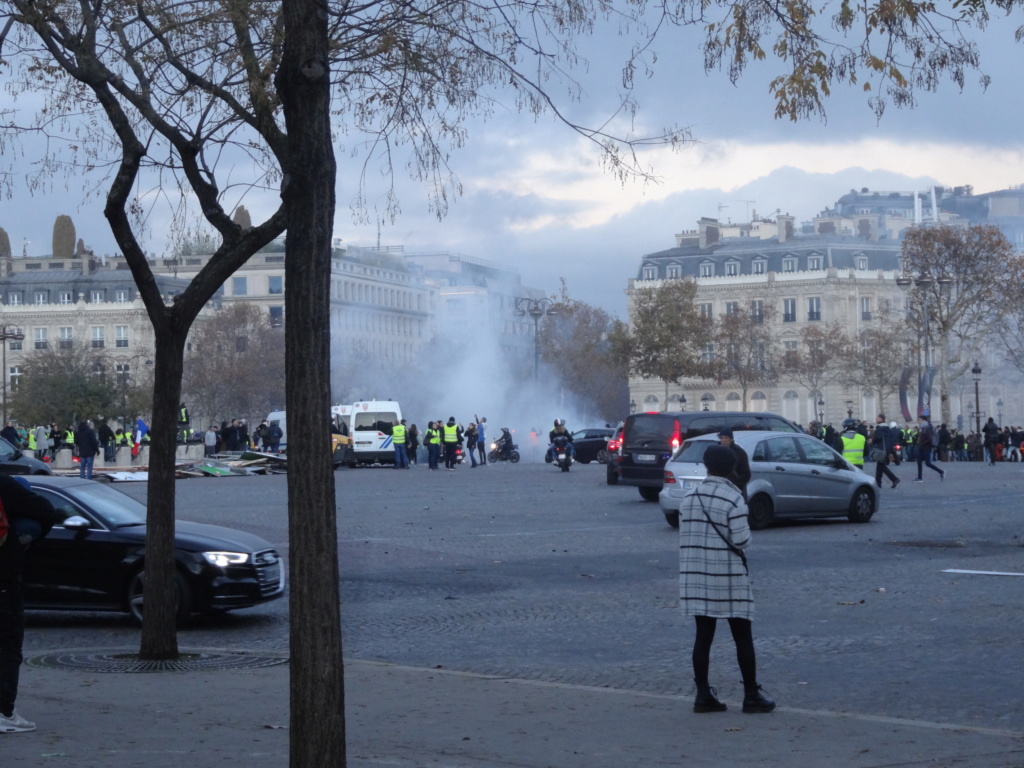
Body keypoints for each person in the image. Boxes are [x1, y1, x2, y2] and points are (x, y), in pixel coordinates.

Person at [678, 444, 775, 714]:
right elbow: (742, 540)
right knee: (742, 636)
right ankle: (751, 694)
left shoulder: (690, 499)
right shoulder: (733, 499)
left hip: (696, 575)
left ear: (707, 467)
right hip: (728, 574)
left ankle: (702, 694)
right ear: (732, 468)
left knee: (703, 636)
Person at [0, 475, 60, 733]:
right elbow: (46, 512)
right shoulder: (5, 485)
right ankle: (3, 713)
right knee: (8, 645)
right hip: (2, 582)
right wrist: (20, 541)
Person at [717, 428, 751, 501]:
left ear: (731, 439)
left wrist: (734, 483)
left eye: (726, 438)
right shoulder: (716, 453)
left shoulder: (740, 453)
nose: (723, 440)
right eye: (721, 438)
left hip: (736, 490)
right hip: (720, 489)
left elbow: (746, 474)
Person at [871, 415, 901, 490]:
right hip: (887, 449)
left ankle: (894, 479)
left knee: (881, 466)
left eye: (877, 418)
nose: (876, 419)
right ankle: (878, 483)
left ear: (881, 419)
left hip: (881, 449)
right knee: (880, 466)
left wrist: (873, 440)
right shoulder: (887, 428)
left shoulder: (879, 428)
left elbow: (878, 437)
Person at [914, 415, 945, 482]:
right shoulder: (923, 428)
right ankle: (919, 478)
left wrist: (922, 443)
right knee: (919, 462)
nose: (918, 421)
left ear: (924, 420)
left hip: (926, 448)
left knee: (928, 463)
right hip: (922, 447)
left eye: (919, 420)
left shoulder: (927, 428)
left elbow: (929, 438)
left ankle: (941, 472)